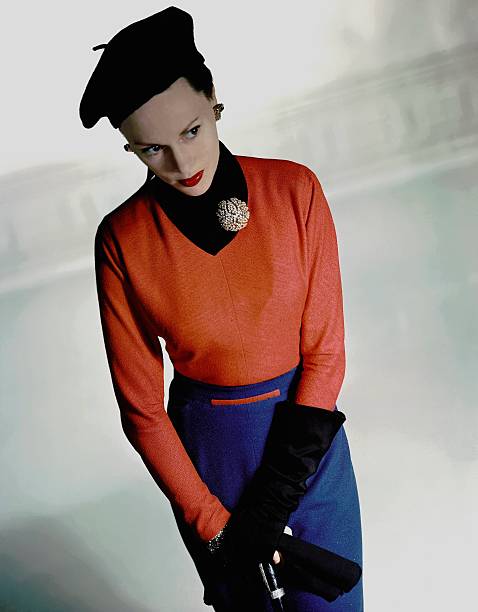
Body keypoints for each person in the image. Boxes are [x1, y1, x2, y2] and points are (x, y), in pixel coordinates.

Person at [80, 6, 364, 611]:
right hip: (207, 464)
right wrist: (216, 523)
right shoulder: (122, 240)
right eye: (152, 149)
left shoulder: (295, 191)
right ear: (130, 147)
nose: (182, 166)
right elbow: (142, 412)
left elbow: (326, 353)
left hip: (307, 445)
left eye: (190, 131)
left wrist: (274, 499)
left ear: (213, 101)